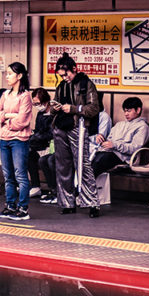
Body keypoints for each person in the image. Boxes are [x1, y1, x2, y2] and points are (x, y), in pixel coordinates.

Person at [48, 54, 104, 216]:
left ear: (74, 69)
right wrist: (55, 108)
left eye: (66, 74)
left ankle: (92, 204)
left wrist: (74, 109)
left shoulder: (86, 84)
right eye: (61, 75)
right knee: (62, 166)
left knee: (83, 164)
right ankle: (67, 203)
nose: (64, 78)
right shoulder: (61, 87)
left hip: (78, 126)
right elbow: (53, 108)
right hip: (60, 127)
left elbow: (94, 108)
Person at [0, 62, 36, 220]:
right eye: (6, 73)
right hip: (4, 138)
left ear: (19, 76)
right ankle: (10, 206)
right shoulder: (5, 94)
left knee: (20, 175)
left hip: (19, 140)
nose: (7, 76)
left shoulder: (25, 96)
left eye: (10, 73)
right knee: (8, 176)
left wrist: (5, 120)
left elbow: (23, 121)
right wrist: (8, 116)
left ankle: (23, 208)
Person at [88, 97, 149, 208]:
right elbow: (109, 138)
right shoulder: (119, 125)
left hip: (123, 157)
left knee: (98, 161)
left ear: (138, 110)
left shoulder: (143, 127)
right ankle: (84, 190)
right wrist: (104, 142)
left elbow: (134, 147)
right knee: (91, 160)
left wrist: (115, 145)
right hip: (109, 153)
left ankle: (84, 191)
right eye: (125, 111)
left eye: (129, 110)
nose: (126, 113)